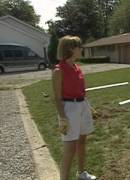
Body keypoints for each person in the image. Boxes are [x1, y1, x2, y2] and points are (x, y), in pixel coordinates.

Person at [52, 35, 96, 180]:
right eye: (79, 47)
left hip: (82, 105)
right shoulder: (59, 70)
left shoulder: (77, 68)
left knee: (82, 141)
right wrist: (63, 118)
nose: (81, 49)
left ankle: (81, 173)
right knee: (70, 147)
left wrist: (89, 107)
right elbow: (57, 98)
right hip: (69, 110)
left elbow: (82, 91)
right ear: (70, 49)